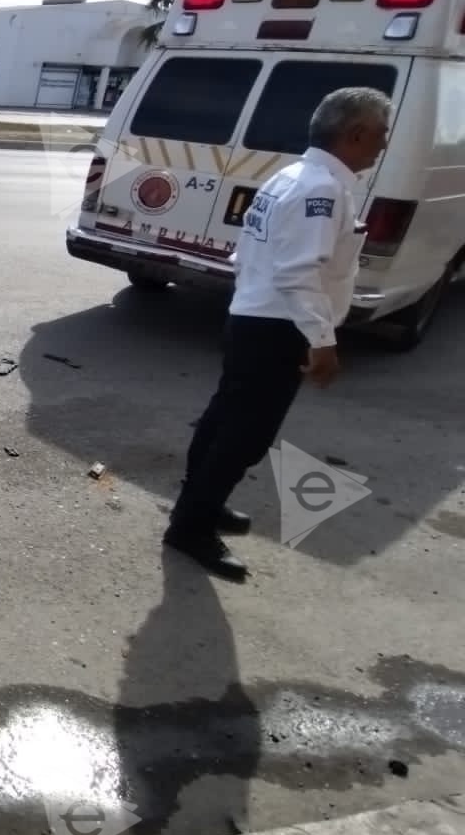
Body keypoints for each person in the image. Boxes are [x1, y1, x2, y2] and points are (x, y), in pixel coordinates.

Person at [163, 85, 390, 580]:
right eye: (380, 135)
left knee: (225, 420)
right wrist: (322, 341)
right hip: (277, 326)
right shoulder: (322, 189)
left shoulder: (291, 175)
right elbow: (297, 273)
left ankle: (200, 501)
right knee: (244, 436)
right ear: (354, 134)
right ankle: (191, 527)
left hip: (255, 316)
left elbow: (248, 252)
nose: (382, 145)